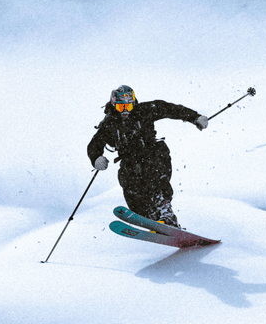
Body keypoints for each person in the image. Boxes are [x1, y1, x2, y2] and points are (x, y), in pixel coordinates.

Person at [87, 85, 208, 228]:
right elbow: (94, 144)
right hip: (130, 162)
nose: (125, 111)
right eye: (121, 107)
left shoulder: (144, 111)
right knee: (131, 189)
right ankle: (152, 217)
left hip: (153, 154)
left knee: (153, 175)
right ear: (114, 105)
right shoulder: (110, 124)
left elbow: (169, 109)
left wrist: (195, 117)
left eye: (129, 106)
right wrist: (96, 159)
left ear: (134, 103)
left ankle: (166, 212)